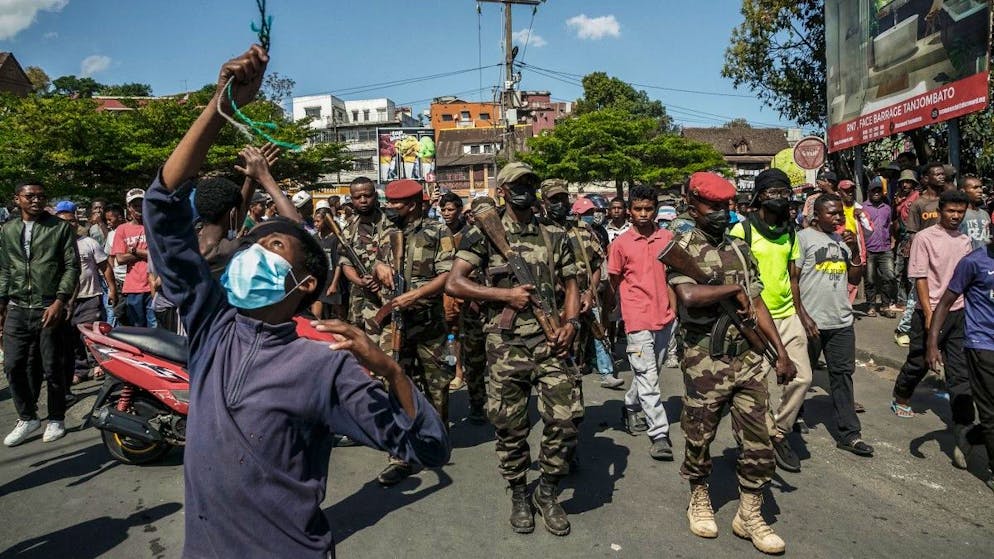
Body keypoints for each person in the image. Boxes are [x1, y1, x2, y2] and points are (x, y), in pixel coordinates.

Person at [146, 45, 449, 558]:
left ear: (305, 285)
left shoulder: (324, 366)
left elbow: (429, 447)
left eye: (274, 246)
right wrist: (222, 105)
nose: (255, 251)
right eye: (254, 242)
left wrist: (392, 373)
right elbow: (163, 204)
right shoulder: (212, 327)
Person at [446, 162, 580, 537]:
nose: (525, 189)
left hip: (552, 340)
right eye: (517, 184)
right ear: (502, 191)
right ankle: (520, 491)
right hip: (505, 344)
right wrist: (504, 294)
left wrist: (570, 324)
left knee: (567, 419)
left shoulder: (555, 233)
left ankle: (549, 490)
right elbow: (456, 283)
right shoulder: (483, 234)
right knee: (509, 425)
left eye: (530, 183)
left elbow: (571, 283)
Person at [669, 172, 793, 554]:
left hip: (749, 358)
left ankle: (750, 513)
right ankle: (700, 496)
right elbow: (688, 295)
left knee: (759, 440)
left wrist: (780, 352)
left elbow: (758, 304)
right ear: (693, 206)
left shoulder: (741, 249)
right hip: (704, 359)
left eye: (726, 206)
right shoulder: (682, 246)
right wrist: (732, 289)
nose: (722, 213)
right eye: (713, 206)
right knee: (700, 436)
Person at [728, 168, 813, 473]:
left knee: (802, 378)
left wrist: (802, 313)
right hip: (756, 318)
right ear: (760, 197)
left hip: (787, 314)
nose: (781, 198)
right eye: (773, 192)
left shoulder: (790, 232)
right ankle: (759, 438)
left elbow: (792, 277)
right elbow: (735, 279)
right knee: (758, 384)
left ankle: (777, 432)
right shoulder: (742, 232)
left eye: (784, 192)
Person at [372, 178, 455, 486]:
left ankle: (436, 438)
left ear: (413, 204)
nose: (391, 208)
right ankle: (400, 453)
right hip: (394, 322)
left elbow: (447, 275)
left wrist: (416, 296)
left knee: (436, 383)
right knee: (393, 382)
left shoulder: (437, 232)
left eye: (396, 203)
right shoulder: (386, 230)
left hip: (428, 321)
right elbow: (375, 262)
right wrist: (379, 267)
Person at [891, 190, 975, 466]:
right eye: (951, 211)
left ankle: (963, 426)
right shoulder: (924, 238)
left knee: (959, 370)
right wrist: (928, 314)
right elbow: (921, 278)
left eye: (960, 212)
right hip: (929, 309)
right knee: (919, 360)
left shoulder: (965, 241)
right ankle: (901, 395)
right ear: (940, 210)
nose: (955, 216)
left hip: (958, 311)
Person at [0, 183, 81, 446]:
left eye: (40, 196)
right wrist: (1, 301)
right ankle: (27, 417)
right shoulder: (8, 229)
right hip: (17, 306)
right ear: (17, 199)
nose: (36, 200)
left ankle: (56, 417)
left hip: (48, 306)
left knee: (52, 365)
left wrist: (60, 301)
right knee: (12, 364)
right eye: (29, 196)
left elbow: (71, 267)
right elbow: (5, 268)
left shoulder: (59, 228)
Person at [795, 194, 874, 457]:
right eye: (832, 213)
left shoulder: (842, 241)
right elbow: (793, 281)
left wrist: (853, 253)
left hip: (840, 320)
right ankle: (792, 417)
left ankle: (849, 434)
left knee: (842, 376)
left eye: (840, 213)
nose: (839, 218)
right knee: (801, 376)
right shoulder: (803, 239)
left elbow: (854, 278)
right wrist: (803, 316)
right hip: (811, 322)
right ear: (817, 215)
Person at [606, 184, 678, 461]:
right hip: (636, 318)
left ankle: (630, 404)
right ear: (630, 210)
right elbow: (613, 281)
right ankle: (659, 434)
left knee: (651, 371)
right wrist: (609, 309)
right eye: (638, 209)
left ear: (656, 210)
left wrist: (675, 309)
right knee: (647, 376)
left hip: (665, 315)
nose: (644, 214)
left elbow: (675, 276)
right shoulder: (620, 245)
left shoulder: (668, 238)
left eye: (649, 209)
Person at [926, 227, 994, 493]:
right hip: (982, 345)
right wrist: (933, 344)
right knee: (990, 411)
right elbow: (945, 302)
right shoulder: (973, 262)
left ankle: (970, 435)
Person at [54, 201, 116, 384]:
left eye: (72, 221)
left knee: (91, 335)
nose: (69, 225)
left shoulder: (89, 243)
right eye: (64, 222)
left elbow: (105, 268)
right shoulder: (53, 247)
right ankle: (80, 370)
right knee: (71, 338)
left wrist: (112, 289)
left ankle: (100, 365)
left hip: (90, 297)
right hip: (63, 300)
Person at [339, 176, 393, 338]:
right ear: (352, 199)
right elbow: (345, 263)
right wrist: (360, 281)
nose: (363, 200)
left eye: (367, 196)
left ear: (375, 196)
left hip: (389, 297)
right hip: (362, 301)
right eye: (357, 197)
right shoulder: (349, 229)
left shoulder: (392, 223)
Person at [112, 188, 154, 327]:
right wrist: (145, 253)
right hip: (133, 287)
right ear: (129, 208)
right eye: (135, 205)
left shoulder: (154, 226)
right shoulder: (122, 229)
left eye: (142, 203)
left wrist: (135, 251)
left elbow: (158, 255)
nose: (139, 208)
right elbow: (120, 259)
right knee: (137, 329)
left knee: (155, 327)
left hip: (154, 285)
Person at [862, 184, 897, 318]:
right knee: (870, 279)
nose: (876, 193)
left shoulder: (887, 208)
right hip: (869, 249)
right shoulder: (863, 208)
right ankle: (871, 306)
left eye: (879, 191)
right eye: (873, 191)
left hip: (885, 248)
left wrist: (892, 240)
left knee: (889, 277)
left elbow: (889, 225)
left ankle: (885, 306)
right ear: (868, 192)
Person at [312, 199, 344, 320]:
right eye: (314, 221)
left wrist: (334, 284)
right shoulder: (315, 238)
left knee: (339, 315)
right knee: (316, 315)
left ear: (326, 221)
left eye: (318, 221)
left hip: (333, 280)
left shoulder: (335, 239)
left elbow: (339, 264)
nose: (315, 224)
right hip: (320, 281)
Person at [102, 203, 127, 326]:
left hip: (133, 279)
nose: (108, 222)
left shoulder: (132, 231)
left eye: (110, 219)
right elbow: (110, 257)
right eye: (106, 220)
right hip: (118, 280)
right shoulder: (111, 235)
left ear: (121, 217)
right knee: (119, 313)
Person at [959, 174, 991, 250]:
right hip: (967, 258)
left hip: (985, 258)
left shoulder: (985, 214)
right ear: (963, 191)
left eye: (980, 187)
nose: (980, 191)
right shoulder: (958, 214)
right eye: (975, 188)